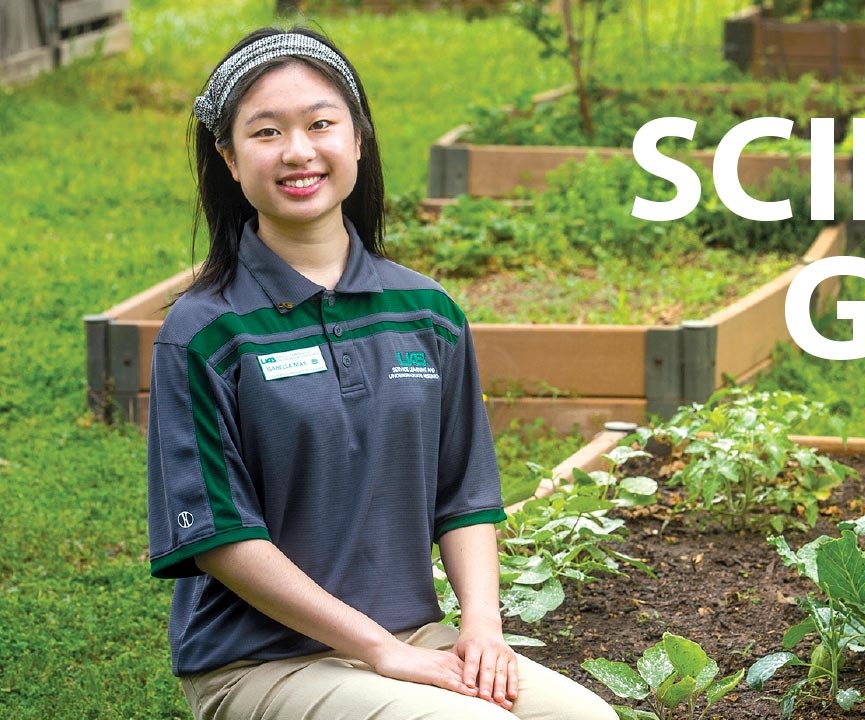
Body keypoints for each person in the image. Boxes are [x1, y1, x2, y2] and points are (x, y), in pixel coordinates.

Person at [145, 26, 617, 720]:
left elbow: (463, 497)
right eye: (267, 132)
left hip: (415, 636)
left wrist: (481, 630)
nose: (299, 150)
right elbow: (221, 540)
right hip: (259, 660)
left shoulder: (427, 312)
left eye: (320, 123)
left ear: (358, 139)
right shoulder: (203, 331)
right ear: (229, 158)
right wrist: (379, 650)